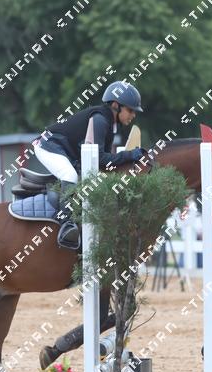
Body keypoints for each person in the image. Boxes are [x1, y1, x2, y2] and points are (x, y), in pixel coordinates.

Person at [33, 81, 146, 250]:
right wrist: (129, 155)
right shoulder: (100, 120)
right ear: (116, 105)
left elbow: (102, 163)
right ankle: (67, 225)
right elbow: (100, 159)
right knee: (69, 175)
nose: (133, 115)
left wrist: (127, 158)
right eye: (130, 110)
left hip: (64, 149)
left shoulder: (111, 124)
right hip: (48, 145)